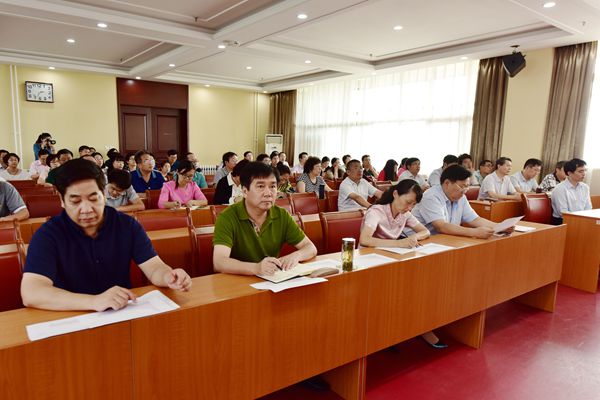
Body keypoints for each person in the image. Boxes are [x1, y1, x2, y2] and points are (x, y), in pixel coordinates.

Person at [20, 158, 191, 311]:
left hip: (120, 312)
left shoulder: (126, 225)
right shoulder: (48, 235)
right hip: (70, 316)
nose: (86, 209)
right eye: (75, 201)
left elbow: (154, 267)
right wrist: (94, 301)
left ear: (104, 194)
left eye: (94, 198)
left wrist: (169, 276)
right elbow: (32, 292)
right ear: (62, 200)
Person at [213, 161, 317, 276]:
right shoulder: (227, 217)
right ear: (245, 191)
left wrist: (296, 256)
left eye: (272, 186)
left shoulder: (281, 215)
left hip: (271, 279)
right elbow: (219, 262)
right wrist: (256, 268)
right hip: (239, 280)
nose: (268, 193)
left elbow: (310, 248)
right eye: (260, 186)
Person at [410, 165, 500, 238]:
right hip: (417, 241)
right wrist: (475, 232)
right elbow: (441, 226)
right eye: (462, 186)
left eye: (467, 186)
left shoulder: (461, 197)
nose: (465, 190)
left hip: (443, 239)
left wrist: (500, 227)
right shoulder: (431, 196)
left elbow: (475, 219)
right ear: (447, 183)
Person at [550, 158, 592, 225]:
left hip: (580, 220)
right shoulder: (560, 189)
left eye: (585, 171)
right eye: (580, 171)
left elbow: (588, 208)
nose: (584, 174)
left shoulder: (585, 187)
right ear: (569, 173)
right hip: (563, 222)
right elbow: (563, 212)